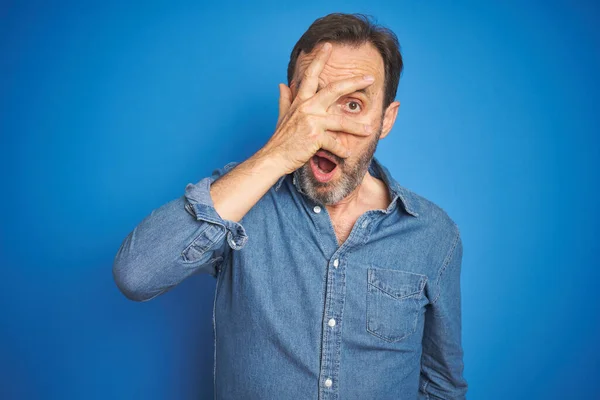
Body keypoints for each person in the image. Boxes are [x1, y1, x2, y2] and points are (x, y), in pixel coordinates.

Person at [113, 12, 468, 400]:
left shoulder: (434, 235)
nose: (327, 126)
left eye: (352, 105)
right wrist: (276, 154)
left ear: (385, 120)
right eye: (313, 98)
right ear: (289, 105)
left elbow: (441, 385)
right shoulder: (242, 200)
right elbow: (136, 275)